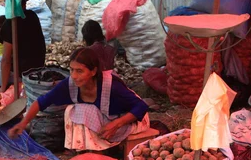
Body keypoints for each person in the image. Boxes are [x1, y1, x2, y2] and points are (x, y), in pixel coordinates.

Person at [9, 48, 149, 152]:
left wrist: (117, 124)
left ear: (93, 71)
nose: (74, 76)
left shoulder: (112, 86)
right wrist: (23, 123)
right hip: (105, 121)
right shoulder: (70, 84)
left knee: (83, 110)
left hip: (131, 120)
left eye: (79, 71)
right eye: (72, 70)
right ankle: (89, 151)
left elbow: (141, 107)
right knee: (73, 110)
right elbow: (41, 102)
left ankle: (100, 152)